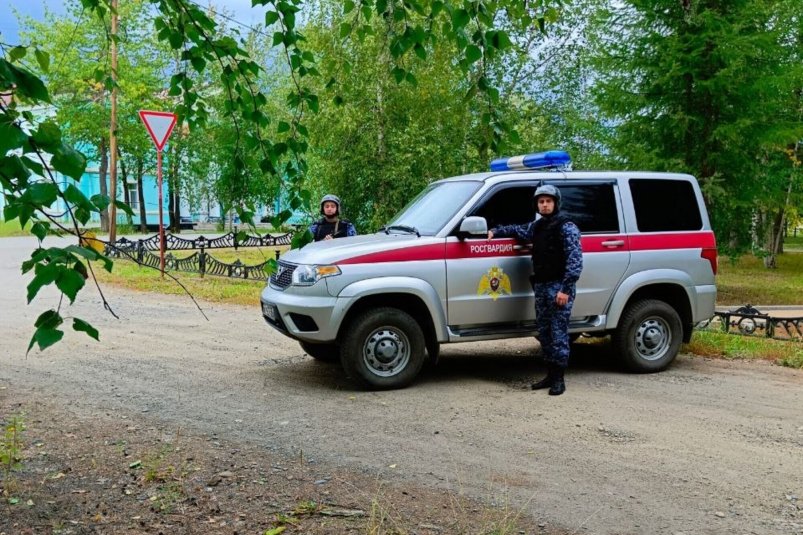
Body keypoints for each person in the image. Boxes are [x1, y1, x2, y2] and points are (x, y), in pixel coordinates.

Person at [487, 185, 583, 395]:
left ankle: (559, 379)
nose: (545, 204)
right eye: (541, 201)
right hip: (541, 287)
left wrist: (565, 290)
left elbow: (575, 263)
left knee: (558, 334)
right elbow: (517, 229)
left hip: (559, 288)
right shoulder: (537, 227)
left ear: (556, 203)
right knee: (545, 332)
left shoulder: (566, 227)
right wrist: (496, 230)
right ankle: (549, 375)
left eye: (548, 201)